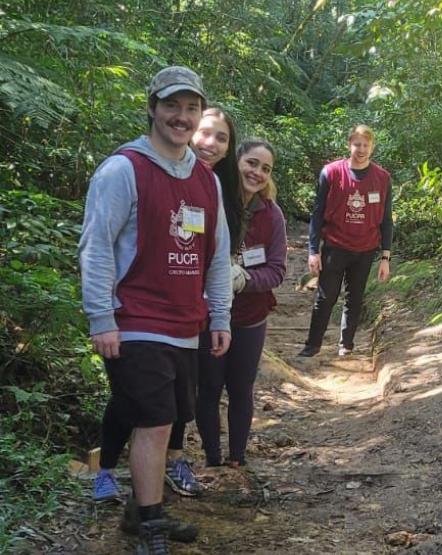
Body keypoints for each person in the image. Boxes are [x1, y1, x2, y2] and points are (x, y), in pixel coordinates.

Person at [79, 66, 232, 553]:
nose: (181, 117)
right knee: (156, 421)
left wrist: (221, 316)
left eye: (191, 109)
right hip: (134, 319)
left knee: (167, 420)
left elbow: (216, 253)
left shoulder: (206, 182)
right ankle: (149, 521)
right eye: (172, 106)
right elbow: (97, 247)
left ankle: (138, 510)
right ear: (152, 107)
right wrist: (101, 317)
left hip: (186, 323)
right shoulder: (123, 169)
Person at [197, 139, 287, 468]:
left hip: (250, 317)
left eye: (265, 168)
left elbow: (277, 270)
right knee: (208, 387)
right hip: (207, 316)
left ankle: (237, 457)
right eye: (251, 163)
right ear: (236, 163)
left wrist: (246, 280)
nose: (257, 172)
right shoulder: (213, 201)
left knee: (241, 387)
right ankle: (212, 458)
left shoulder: (271, 214)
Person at [298, 125, 393, 358]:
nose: (361, 149)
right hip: (335, 246)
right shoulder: (331, 173)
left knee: (355, 298)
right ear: (349, 144)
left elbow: (387, 220)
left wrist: (385, 257)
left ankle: (346, 345)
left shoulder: (382, 178)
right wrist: (313, 250)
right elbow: (318, 213)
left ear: (372, 147)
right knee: (326, 296)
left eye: (366, 145)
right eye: (357, 144)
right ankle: (313, 346)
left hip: (366, 249)